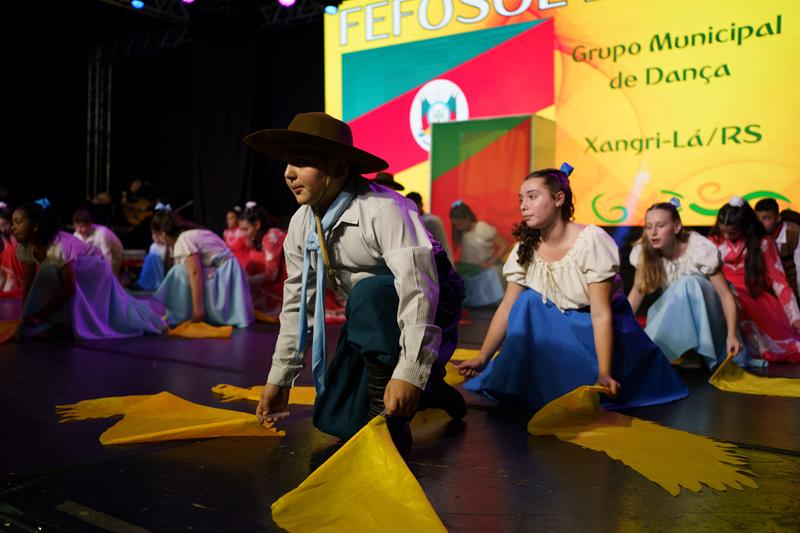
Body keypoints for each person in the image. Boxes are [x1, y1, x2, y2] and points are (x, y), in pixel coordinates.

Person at [245, 112, 466, 455]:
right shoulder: (302, 224)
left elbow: (418, 289)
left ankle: (389, 418)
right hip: (370, 313)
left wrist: (410, 372)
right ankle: (432, 390)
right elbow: (299, 304)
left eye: (302, 162)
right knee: (335, 415)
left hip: (431, 300)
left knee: (370, 292)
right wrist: (280, 377)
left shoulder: (384, 209)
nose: (288, 173)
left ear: (337, 168)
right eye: (288, 162)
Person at [456, 167, 688, 410]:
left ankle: (581, 373)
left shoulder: (590, 241)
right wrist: (482, 358)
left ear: (559, 199)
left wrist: (604, 372)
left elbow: (601, 313)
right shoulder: (526, 246)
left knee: (584, 387)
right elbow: (506, 308)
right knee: (527, 302)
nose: (524, 206)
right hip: (561, 323)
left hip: (598, 329)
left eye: (532, 197)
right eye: (521, 199)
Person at [13, 199, 166, 339]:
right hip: (76, 267)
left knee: (115, 315)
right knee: (48, 274)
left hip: (95, 269)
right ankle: (58, 322)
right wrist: (25, 315)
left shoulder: (59, 246)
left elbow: (69, 287)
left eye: (18, 222)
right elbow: (29, 282)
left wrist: (41, 314)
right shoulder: (26, 247)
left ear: (35, 226)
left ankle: (61, 324)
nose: (13, 228)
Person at [627, 199, 740, 369]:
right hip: (680, 318)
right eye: (648, 227)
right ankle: (662, 355)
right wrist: (619, 327)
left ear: (677, 226)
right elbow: (637, 292)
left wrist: (732, 335)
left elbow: (725, 295)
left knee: (688, 283)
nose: (653, 233)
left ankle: (694, 352)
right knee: (666, 304)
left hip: (712, 319)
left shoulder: (699, 248)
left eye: (660, 225)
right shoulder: (645, 251)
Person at [710, 197, 800, 363]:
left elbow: (779, 283)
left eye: (732, 232)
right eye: (723, 231)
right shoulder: (713, 242)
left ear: (745, 226)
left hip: (753, 299)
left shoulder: (762, 243)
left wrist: (795, 317)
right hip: (721, 295)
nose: (726, 236)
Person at [151, 209, 254, 328]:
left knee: (179, 272)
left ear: (163, 233)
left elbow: (195, 272)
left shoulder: (183, 239)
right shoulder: (192, 232)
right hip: (229, 274)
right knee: (183, 269)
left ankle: (182, 315)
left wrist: (198, 310)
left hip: (225, 275)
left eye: (155, 234)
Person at [450, 200, 511, 307]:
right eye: (455, 225)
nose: (458, 227)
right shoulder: (459, 232)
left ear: (468, 218)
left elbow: (505, 245)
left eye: (460, 224)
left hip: (485, 268)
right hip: (469, 268)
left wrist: (491, 262)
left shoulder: (481, 227)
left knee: (495, 274)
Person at [239, 201, 287, 317]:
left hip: (284, 282)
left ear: (257, 225)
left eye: (246, 229)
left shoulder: (271, 237)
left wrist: (244, 282)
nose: (243, 234)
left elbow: (271, 275)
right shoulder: (259, 239)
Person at [754, 198, 800, 302]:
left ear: (778, 218)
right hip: (768, 287)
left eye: (766, 218)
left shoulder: (794, 234)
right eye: (757, 219)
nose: (760, 223)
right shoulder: (753, 235)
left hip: (792, 285)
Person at [72, 209, 124, 277]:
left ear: (90, 224)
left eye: (82, 226)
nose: (78, 230)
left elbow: (107, 257)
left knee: (111, 277)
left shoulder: (102, 233)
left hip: (114, 255)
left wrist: (107, 276)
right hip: (97, 254)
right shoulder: (76, 235)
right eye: (76, 226)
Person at [406, 192, 453, 262]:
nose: (410, 208)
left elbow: (443, 244)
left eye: (413, 205)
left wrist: (449, 264)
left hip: (437, 261)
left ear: (421, 204)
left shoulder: (431, 220)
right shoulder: (411, 220)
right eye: (407, 205)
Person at [0, 202, 24, 295]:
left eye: (5, 224)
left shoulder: (19, 234)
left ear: (11, 222)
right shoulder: (2, 238)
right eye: (0, 226)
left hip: (18, 266)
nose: (2, 228)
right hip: (6, 270)